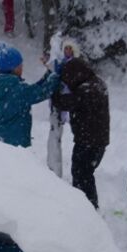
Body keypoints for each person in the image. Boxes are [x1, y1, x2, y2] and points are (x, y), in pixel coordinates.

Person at [51, 54, 109, 209]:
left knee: (81, 174)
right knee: (84, 173)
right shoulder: (96, 83)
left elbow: (66, 102)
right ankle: (87, 205)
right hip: (96, 140)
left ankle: (86, 207)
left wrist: (54, 94)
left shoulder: (87, 90)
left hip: (88, 141)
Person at [0, 42, 60, 148]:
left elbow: (33, 89)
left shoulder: (6, 84)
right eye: (20, 65)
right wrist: (55, 76)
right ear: (13, 68)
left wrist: (48, 75)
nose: (22, 67)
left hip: (3, 137)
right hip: (13, 143)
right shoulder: (17, 89)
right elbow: (41, 92)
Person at [46, 38, 79, 177]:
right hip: (60, 99)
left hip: (67, 98)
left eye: (70, 49)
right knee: (56, 129)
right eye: (66, 49)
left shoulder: (75, 64)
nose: (68, 51)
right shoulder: (62, 62)